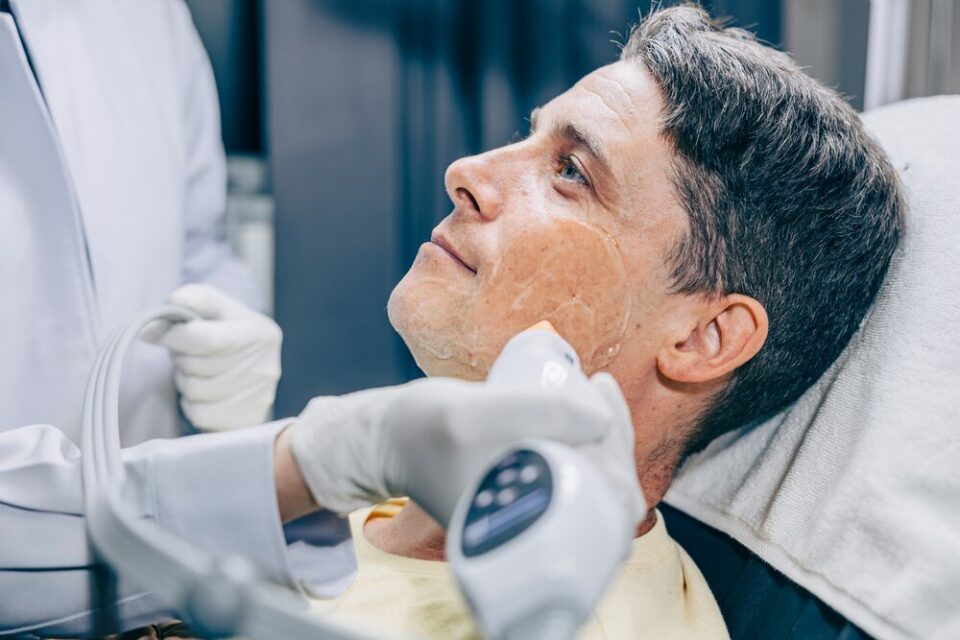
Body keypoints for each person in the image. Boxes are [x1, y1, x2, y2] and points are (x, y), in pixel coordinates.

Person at [282, 5, 903, 638]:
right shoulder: (347, 499)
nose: (466, 172)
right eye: (530, 138)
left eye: (571, 172)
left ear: (701, 337)